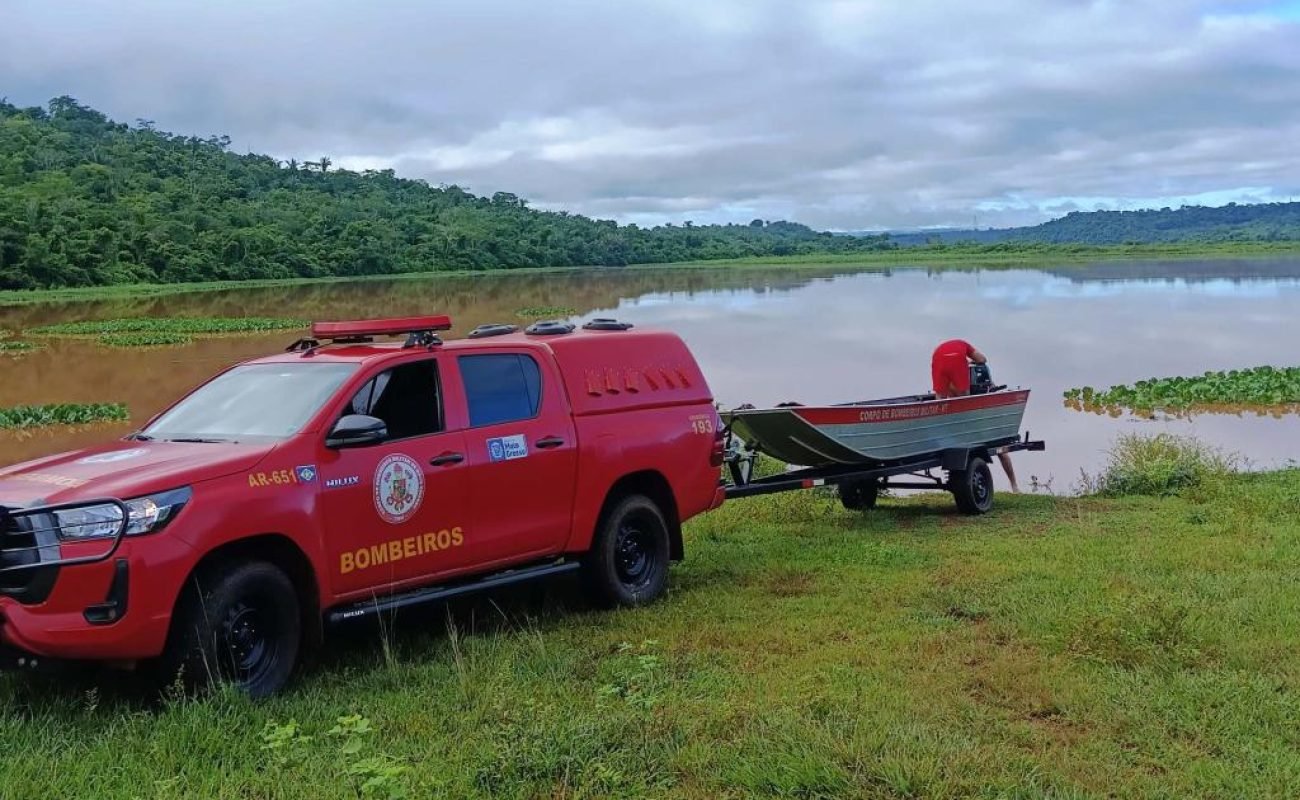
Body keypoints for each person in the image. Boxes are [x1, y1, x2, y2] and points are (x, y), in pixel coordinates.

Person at [930, 339, 1020, 492]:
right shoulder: (963, 348)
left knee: (1002, 450)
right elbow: (982, 359)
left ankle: (1014, 485)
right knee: (1002, 450)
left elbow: (943, 400)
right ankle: (1014, 486)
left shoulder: (940, 357)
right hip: (972, 427)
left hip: (975, 426)